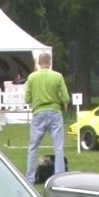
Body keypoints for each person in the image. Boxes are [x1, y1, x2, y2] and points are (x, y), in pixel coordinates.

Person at [24, 51, 70, 183]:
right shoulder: (58, 76)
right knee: (58, 146)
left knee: (33, 147)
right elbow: (65, 97)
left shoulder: (32, 77)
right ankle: (59, 177)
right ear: (50, 63)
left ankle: (30, 178)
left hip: (39, 112)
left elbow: (27, 98)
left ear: (38, 63)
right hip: (55, 112)